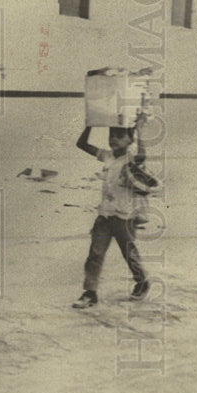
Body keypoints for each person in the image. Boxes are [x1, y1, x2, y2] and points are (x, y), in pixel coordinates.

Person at [72, 118, 151, 308]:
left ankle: (142, 282)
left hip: (125, 216)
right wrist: (90, 123)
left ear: (130, 140)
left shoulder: (131, 159)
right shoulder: (107, 156)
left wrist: (139, 131)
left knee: (129, 253)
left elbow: (142, 155)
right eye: (111, 135)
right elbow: (81, 144)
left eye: (119, 136)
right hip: (105, 215)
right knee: (95, 254)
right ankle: (90, 293)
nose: (113, 139)